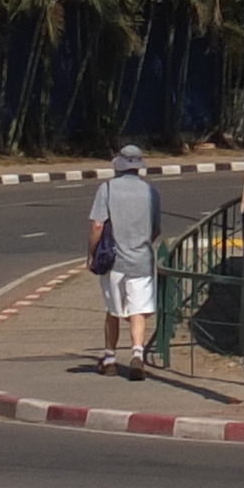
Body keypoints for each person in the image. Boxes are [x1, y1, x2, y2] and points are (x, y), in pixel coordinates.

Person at [89, 143, 162, 376]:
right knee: (137, 311)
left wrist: (91, 252)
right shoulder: (151, 192)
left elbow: (98, 225)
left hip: (114, 261)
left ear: (119, 165)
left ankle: (109, 358)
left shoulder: (107, 189)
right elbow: (156, 230)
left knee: (113, 310)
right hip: (141, 260)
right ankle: (137, 354)